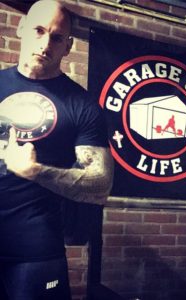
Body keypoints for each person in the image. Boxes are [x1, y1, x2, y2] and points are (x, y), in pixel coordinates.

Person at [0, 0, 114, 299]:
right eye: (38, 31)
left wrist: (35, 172)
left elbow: (100, 184)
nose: (45, 44)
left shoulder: (82, 105)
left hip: (34, 248)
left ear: (68, 46)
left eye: (56, 37)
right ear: (22, 29)